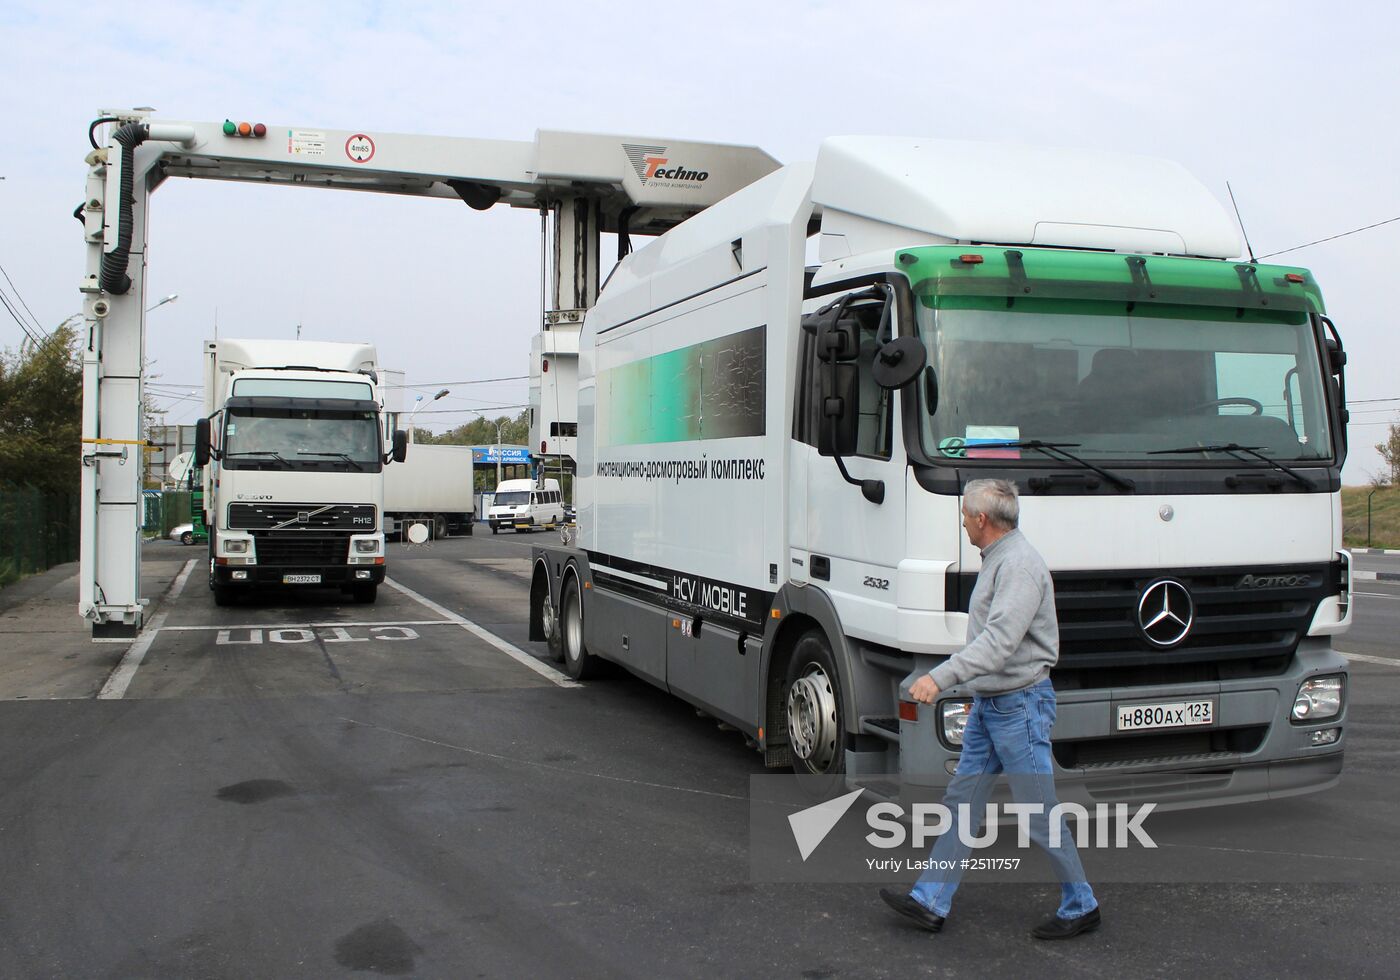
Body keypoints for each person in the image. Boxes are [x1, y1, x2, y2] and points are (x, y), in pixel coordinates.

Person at [878, 478, 1100, 940]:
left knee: (1039, 812)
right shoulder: (999, 558)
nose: (962, 522)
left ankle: (1082, 905)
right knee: (962, 802)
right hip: (992, 705)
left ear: (982, 519)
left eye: (965, 514)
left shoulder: (1018, 565)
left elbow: (998, 643)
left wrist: (939, 677)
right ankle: (930, 901)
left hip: (1019, 707)